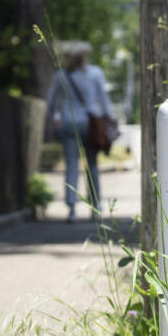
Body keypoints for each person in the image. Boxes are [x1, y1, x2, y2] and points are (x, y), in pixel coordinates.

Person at [44, 40, 114, 222]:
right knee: (92, 166)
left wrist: (53, 120)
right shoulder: (95, 73)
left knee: (71, 166)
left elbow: (51, 102)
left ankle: (71, 208)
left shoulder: (61, 76)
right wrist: (109, 120)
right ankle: (95, 206)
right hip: (90, 124)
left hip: (68, 123)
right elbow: (104, 101)